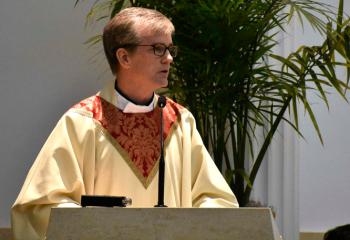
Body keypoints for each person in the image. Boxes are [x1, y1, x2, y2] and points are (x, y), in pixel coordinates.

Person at [11, 7, 238, 240]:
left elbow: (216, 199)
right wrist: (101, 227)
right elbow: (40, 207)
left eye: (170, 49)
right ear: (124, 57)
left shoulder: (180, 122)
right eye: (158, 49)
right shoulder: (82, 123)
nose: (169, 58)